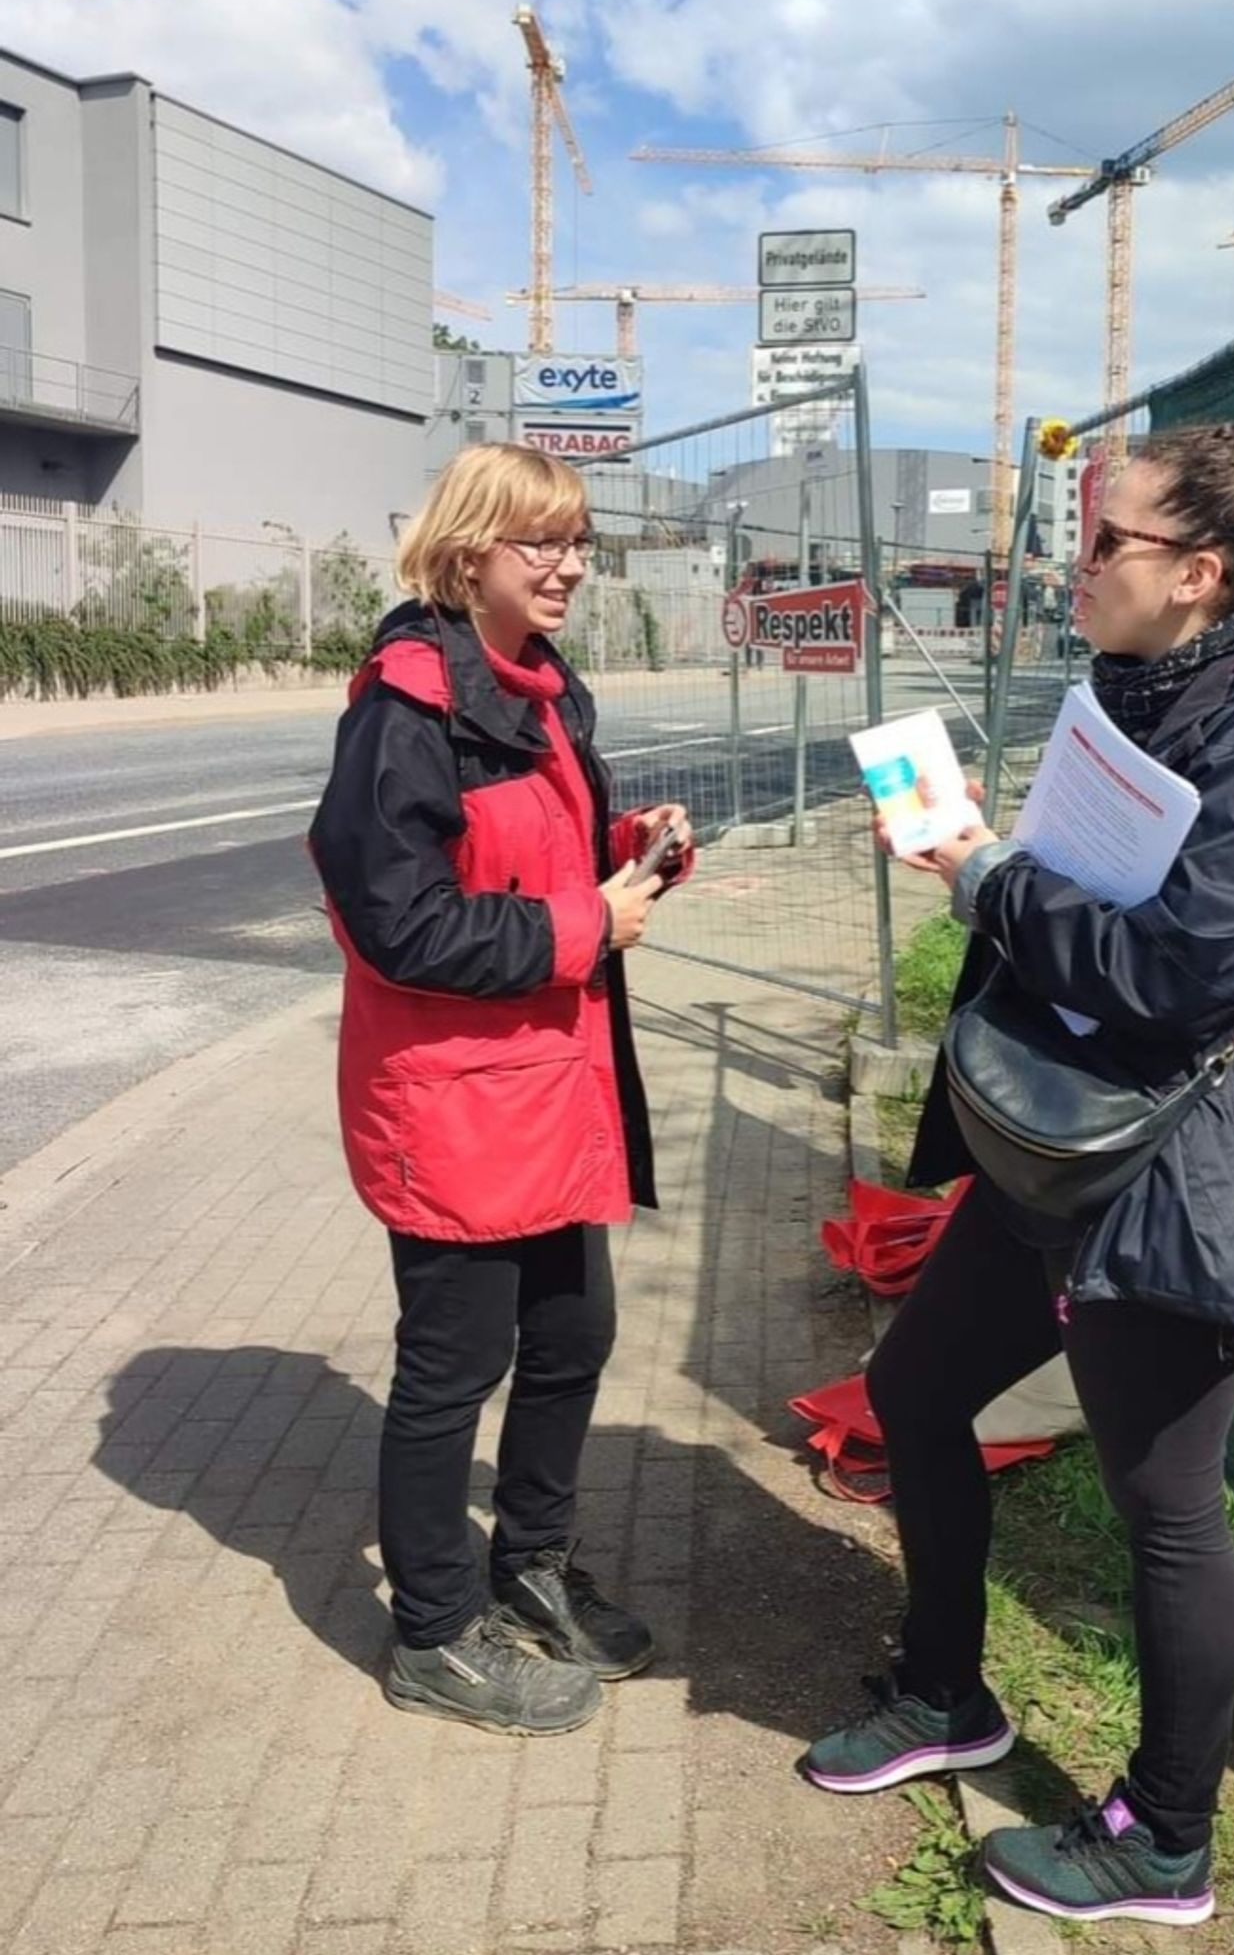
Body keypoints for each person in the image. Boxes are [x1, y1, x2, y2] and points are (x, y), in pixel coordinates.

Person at [799, 381, 1234, 1926]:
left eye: (1099, 542)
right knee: (913, 1389)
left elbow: (1179, 971)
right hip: (1065, 1149)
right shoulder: (1149, 688)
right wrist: (994, 851)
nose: (1072, 567)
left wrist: (988, 878)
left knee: (1167, 1509)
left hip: (1186, 1177)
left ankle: (1164, 1841)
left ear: (1196, 570)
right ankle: (945, 1694)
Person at [309, 443, 693, 1736]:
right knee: (450, 1366)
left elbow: (545, 857)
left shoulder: (538, 690)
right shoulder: (407, 707)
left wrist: (629, 854)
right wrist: (585, 927)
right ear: (469, 550)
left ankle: (526, 1569)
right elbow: (398, 926)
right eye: (543, 542)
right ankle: (428, 1631)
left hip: (547, 1085)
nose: (571, 565)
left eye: (578, 541)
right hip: (455, 1101)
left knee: (573, 1335)